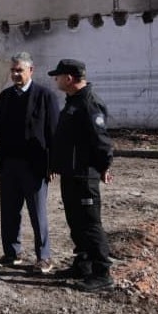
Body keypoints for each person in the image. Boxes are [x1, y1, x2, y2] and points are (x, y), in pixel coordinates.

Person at [47, 59, 115, 292]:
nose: (55, 80)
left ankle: (102, 272)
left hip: (85, 175)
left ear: (69, 78)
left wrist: (105, 166)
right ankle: (83, 264)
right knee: (76, 221)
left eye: (58, 76)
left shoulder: (88, 102)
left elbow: (102, 140)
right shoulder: (73, 101)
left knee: (90, 223)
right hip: (71, 173)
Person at [0, 53, 60, 273]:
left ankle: (44, 257)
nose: (15, 74)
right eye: (12, 70)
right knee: (10, 211)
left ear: (31, 70)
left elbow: (53, 133)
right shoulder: (5, 97)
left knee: (37, 212)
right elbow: (1, 132)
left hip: (35, 165)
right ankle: (12, 253)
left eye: (19, 70)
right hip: (10, 165)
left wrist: (52, 164)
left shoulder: (45, 96)